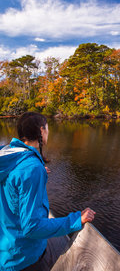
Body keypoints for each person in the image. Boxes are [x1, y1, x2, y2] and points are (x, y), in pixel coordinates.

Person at [0, 112, 96, 270]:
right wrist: (75, 220)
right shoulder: (30, 168)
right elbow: (32, 227)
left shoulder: (8, 156)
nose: (48, 132)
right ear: (41, 131)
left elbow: (15, 181)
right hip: (22, 258)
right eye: (47, 128)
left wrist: (34, 173)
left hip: (6, 249)